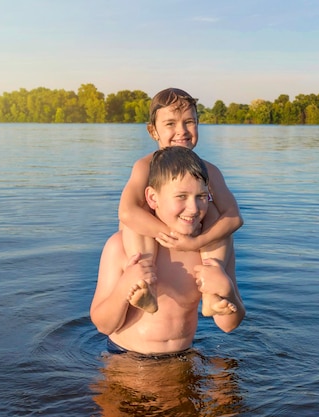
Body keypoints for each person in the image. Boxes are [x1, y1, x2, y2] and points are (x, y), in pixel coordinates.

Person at [90, 146, 245, 355]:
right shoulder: (121, 247)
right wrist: (125, 286)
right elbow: (103, 326)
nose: (193, 208)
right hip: (126, 358)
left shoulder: (211, 250)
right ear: (153, 198)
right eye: (181, 196)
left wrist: (228, 293)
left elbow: (229, 325)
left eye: (201, 196)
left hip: (183, 358)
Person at [117, 88, 243, 315]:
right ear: (152, 130)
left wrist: (196, 242)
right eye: (170, 124)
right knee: (138, 213)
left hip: (191, 236)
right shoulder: (145, 167)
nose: (181, 131)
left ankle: (211, 296)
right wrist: (171, 235)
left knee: (215, 213)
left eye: (189, 122)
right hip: (155, 239)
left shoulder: (209, 171)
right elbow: (126, 212)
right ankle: (147, 286)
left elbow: (234, 216)